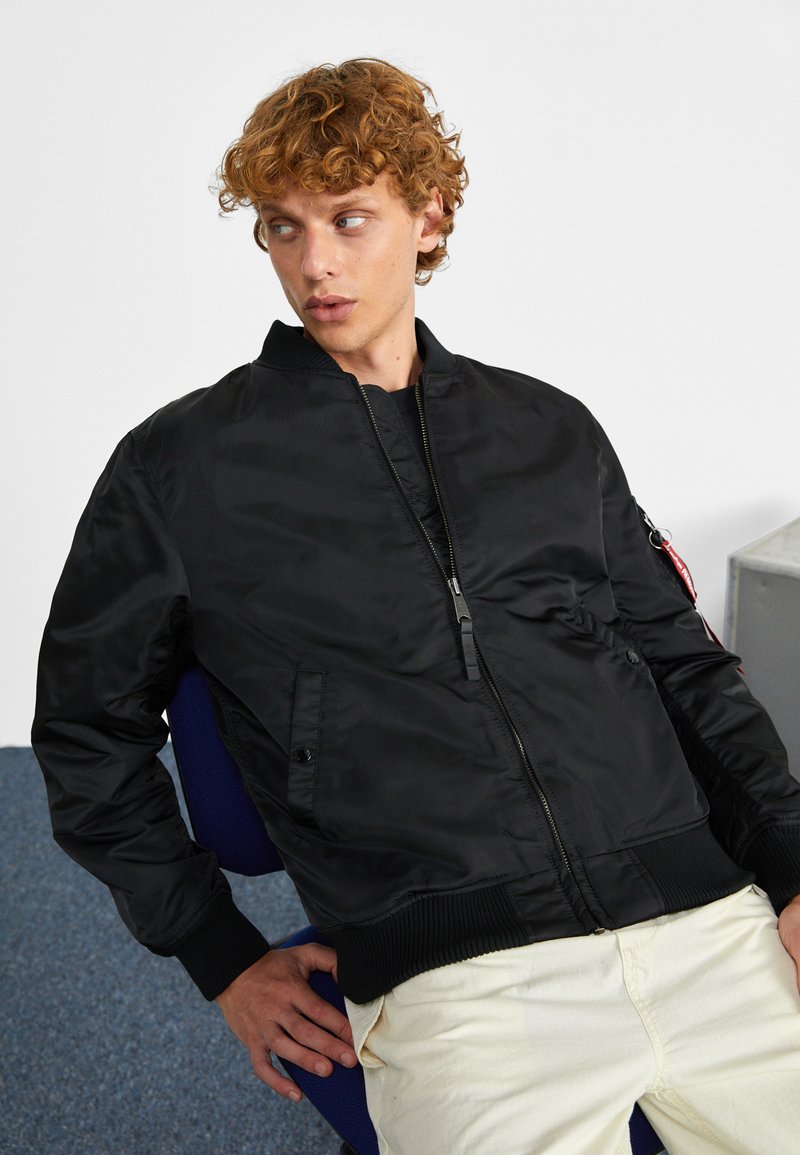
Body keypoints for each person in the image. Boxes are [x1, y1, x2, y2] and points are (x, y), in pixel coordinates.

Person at [32, 57, 800, 1155]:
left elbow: (685, 667)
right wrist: (219, 954)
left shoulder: (548, 431)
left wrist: (790, 866)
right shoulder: (180, 469)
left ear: (428, 216)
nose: (315, 263)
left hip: (708, 927)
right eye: (283, 227)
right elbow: (84, 729)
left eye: (349, 219)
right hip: (460, 983)